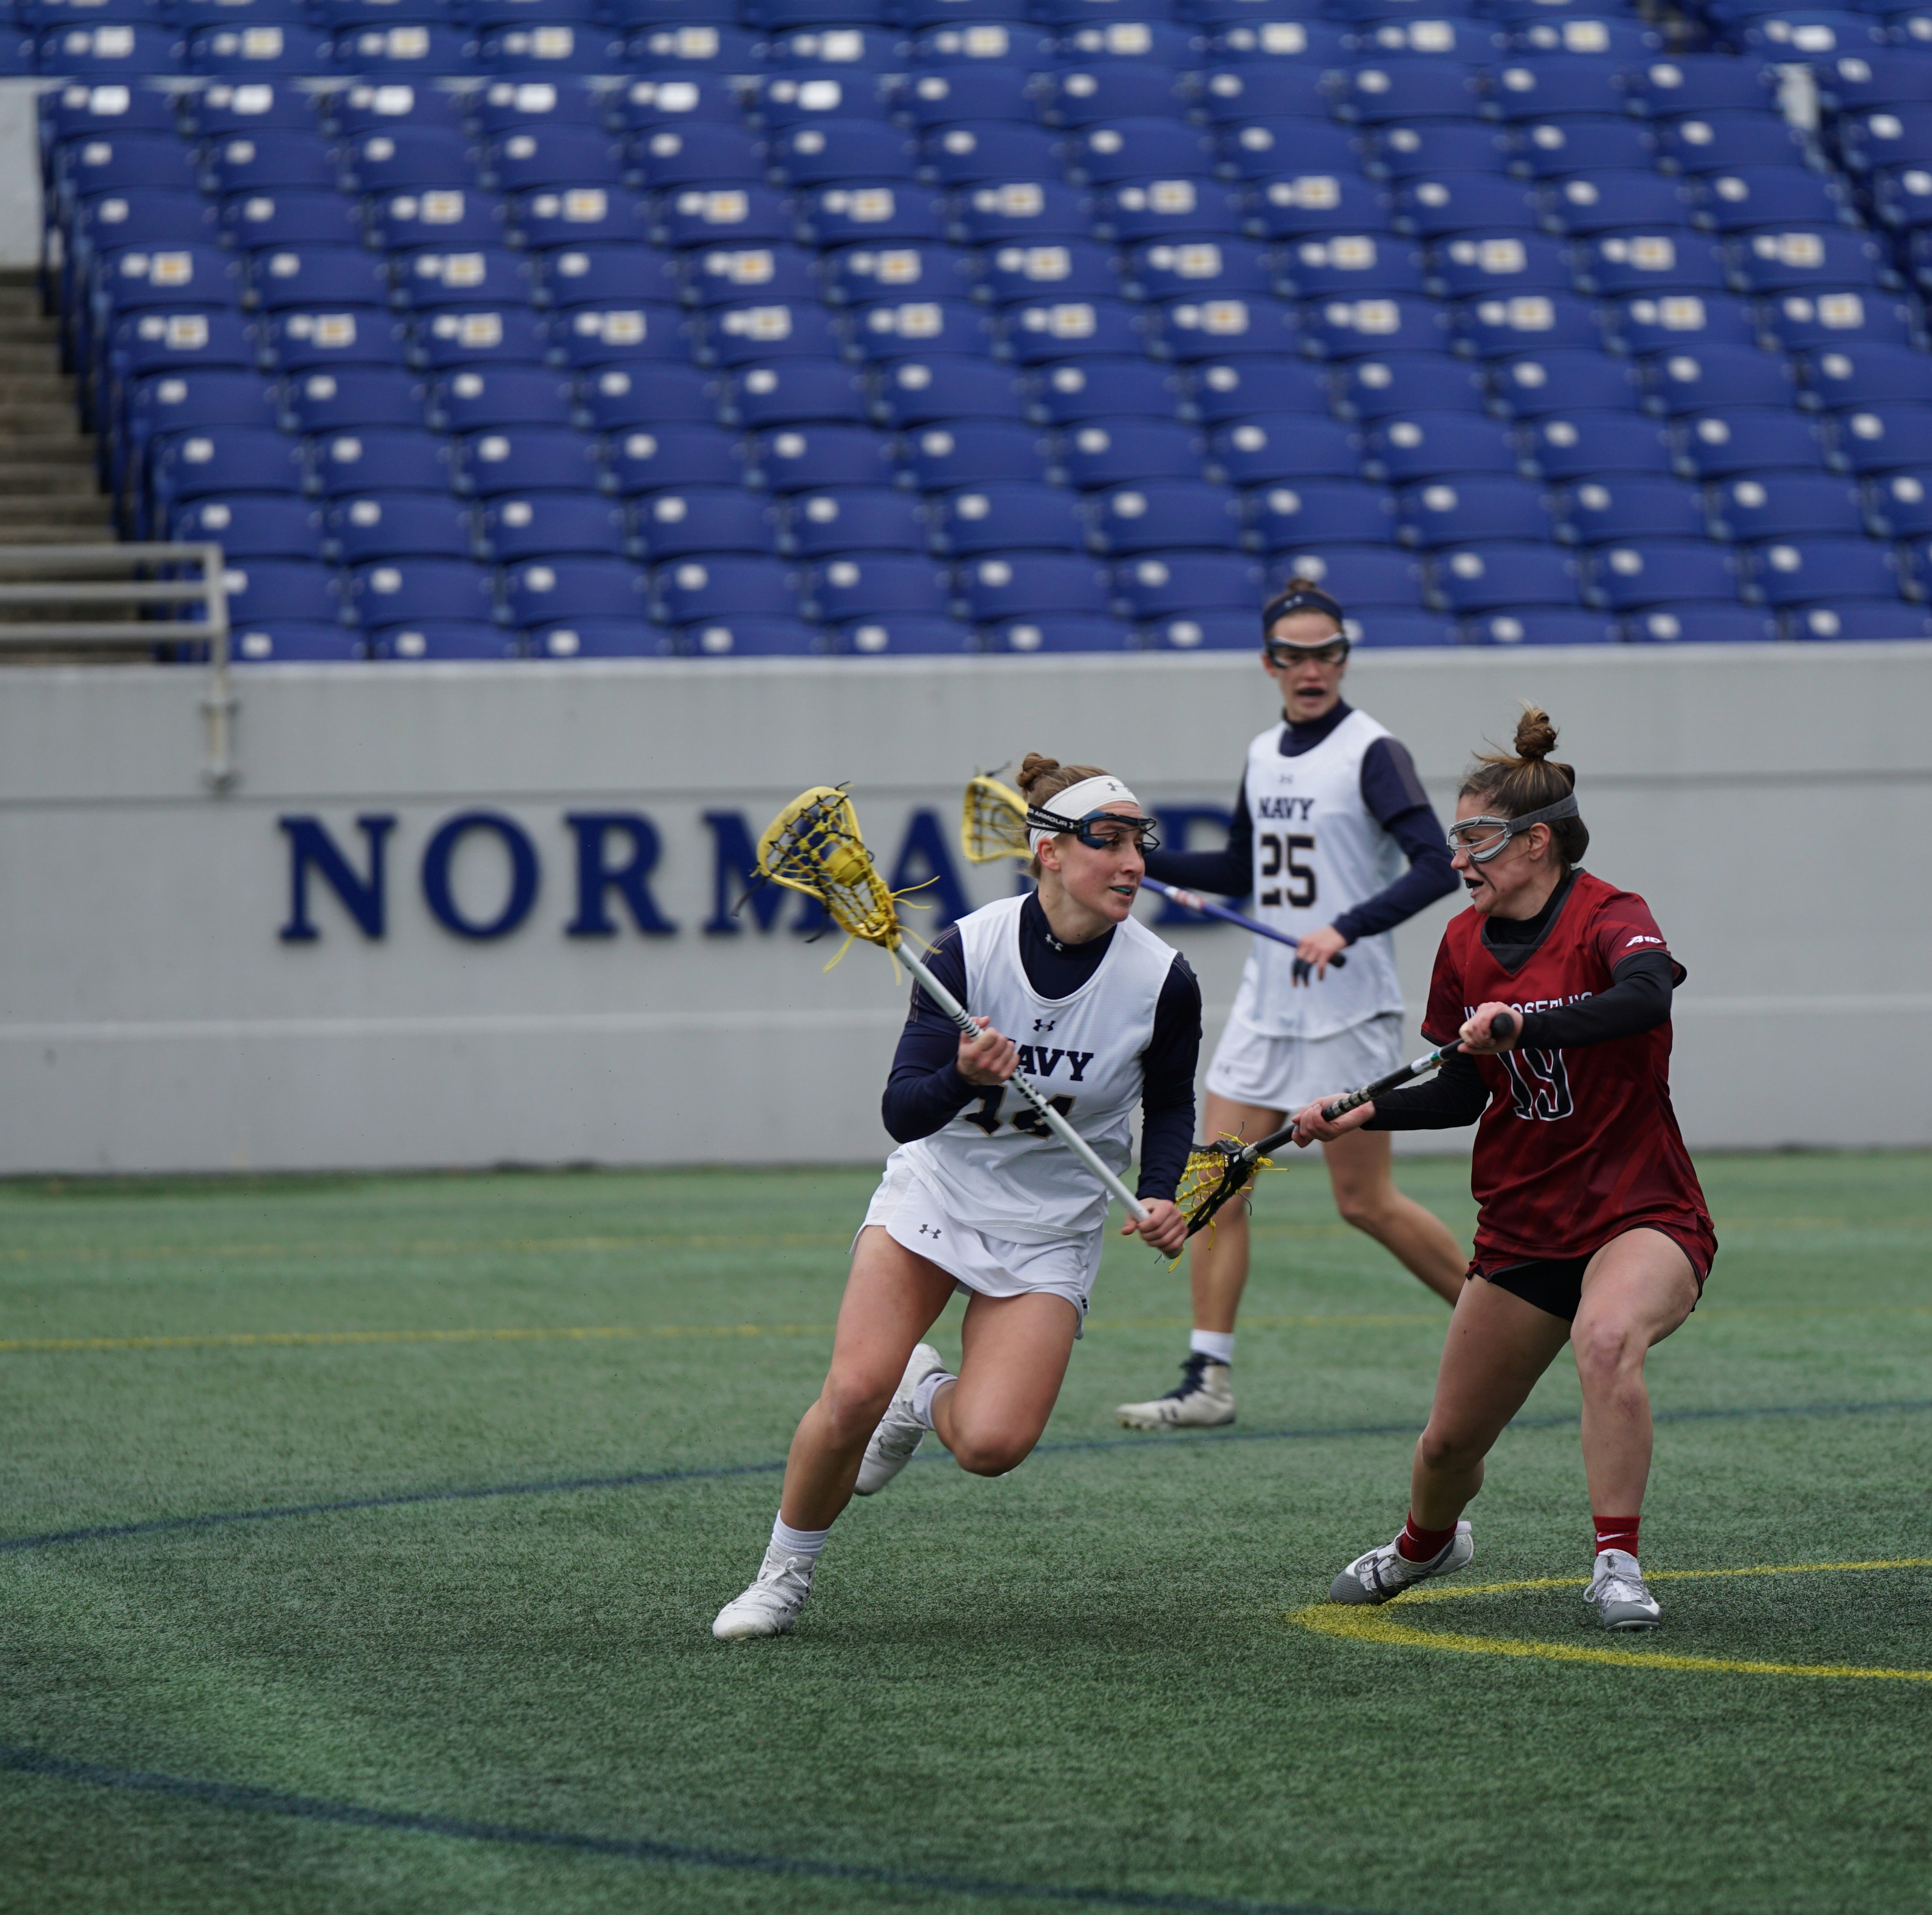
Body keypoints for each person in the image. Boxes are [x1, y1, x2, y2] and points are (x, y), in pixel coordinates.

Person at [712, 757, 1199, 1640]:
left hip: (1051, 1225)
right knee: (851, 1394)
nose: (1134, 863)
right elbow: (904, 1113)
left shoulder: (1164, 979)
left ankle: (922, 1395)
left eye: (1141, 843)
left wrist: (1161, 1194)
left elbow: (1168, 1106)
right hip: (939, 1191)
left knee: (989, 1445)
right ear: (1050, 852)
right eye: (1110, 842)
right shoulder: (965, 951)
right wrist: (962, 1077)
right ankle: (781, 1576)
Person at [1292, 707, 1714, 1633]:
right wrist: (1363, 1111)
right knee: (1448, 1444)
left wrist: (1529, 1023)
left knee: (1607, 1340)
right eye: (1455, 841)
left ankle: (1616, 1563)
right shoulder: (1462, 943)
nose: (1458, 860)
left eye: (1475, 839)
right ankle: (1425, 1545)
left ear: (1536, 842)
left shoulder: (1613, 916)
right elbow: (1459, 1089)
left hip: (1640, 1210)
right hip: (1525, 1223)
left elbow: (1645, 1000)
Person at [1114, 579, 1469, 1432]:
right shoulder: (1265, 751)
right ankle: (1208, 1380)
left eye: (1326, 654)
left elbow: (1436, 864)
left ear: (1344, 658)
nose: (1311, 670)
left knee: (1363, 1203)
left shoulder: (1373, 752)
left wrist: (1345, 926)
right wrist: (1138, 859)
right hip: (1267, 1004)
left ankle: (1512, 1322)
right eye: (1293, 656)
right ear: (1269, 662)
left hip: (1347, 1007)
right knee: (1216, 1183)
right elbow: (1242, 867)